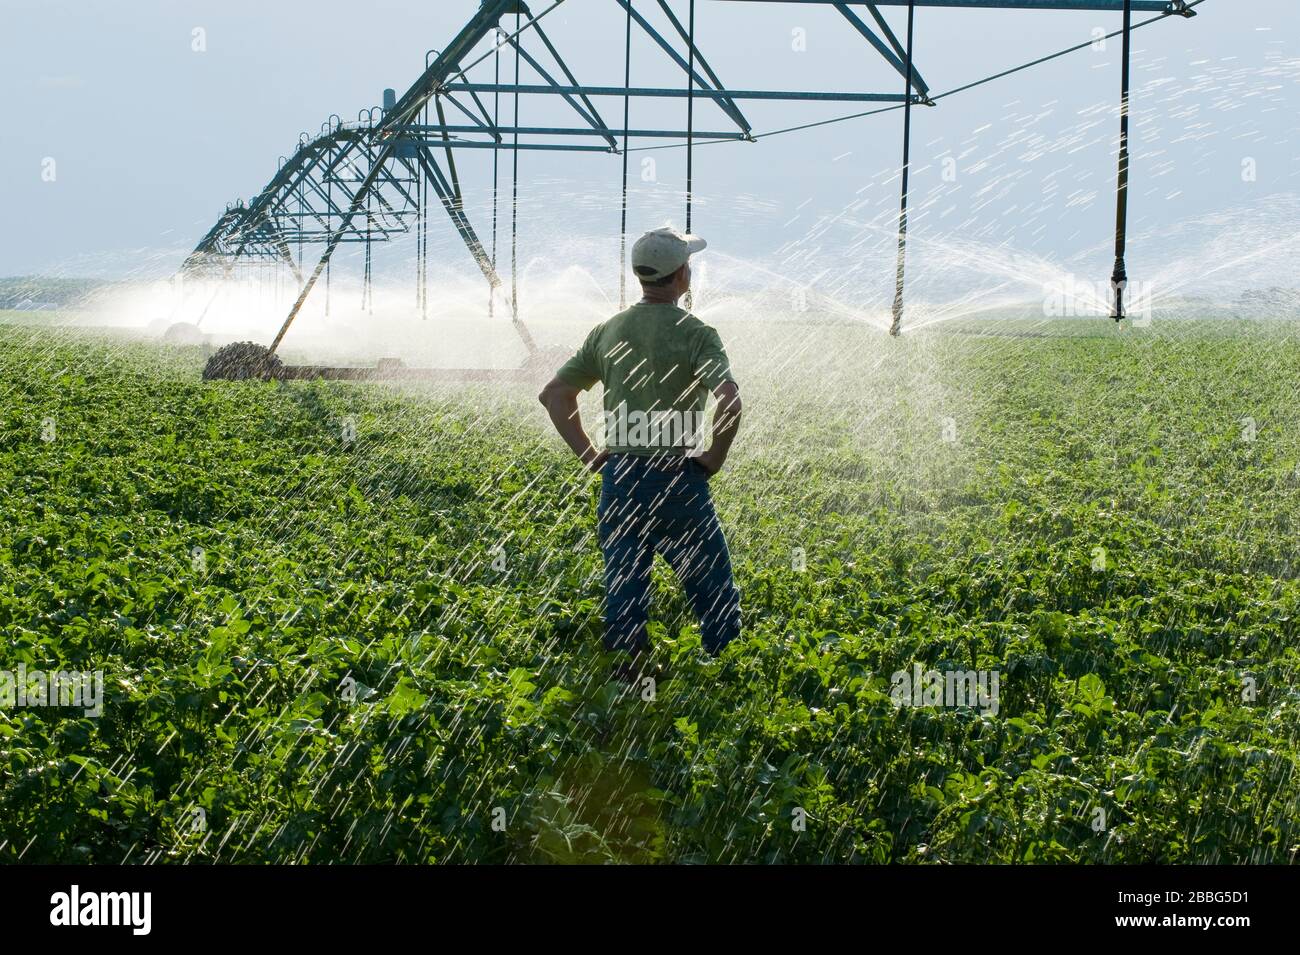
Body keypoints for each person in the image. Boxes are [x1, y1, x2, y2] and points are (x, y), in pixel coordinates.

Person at [538, 227, 743, 683]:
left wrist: (592, 456)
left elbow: (554, 395)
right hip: (677, 475)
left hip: (622, 477)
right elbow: (729, 402)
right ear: (681, 275)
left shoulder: (609, 330)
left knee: (625, 581)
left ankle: (626, 674)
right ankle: (726, 672)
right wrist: (713, 457)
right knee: (711, 583)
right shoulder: (697, 334)